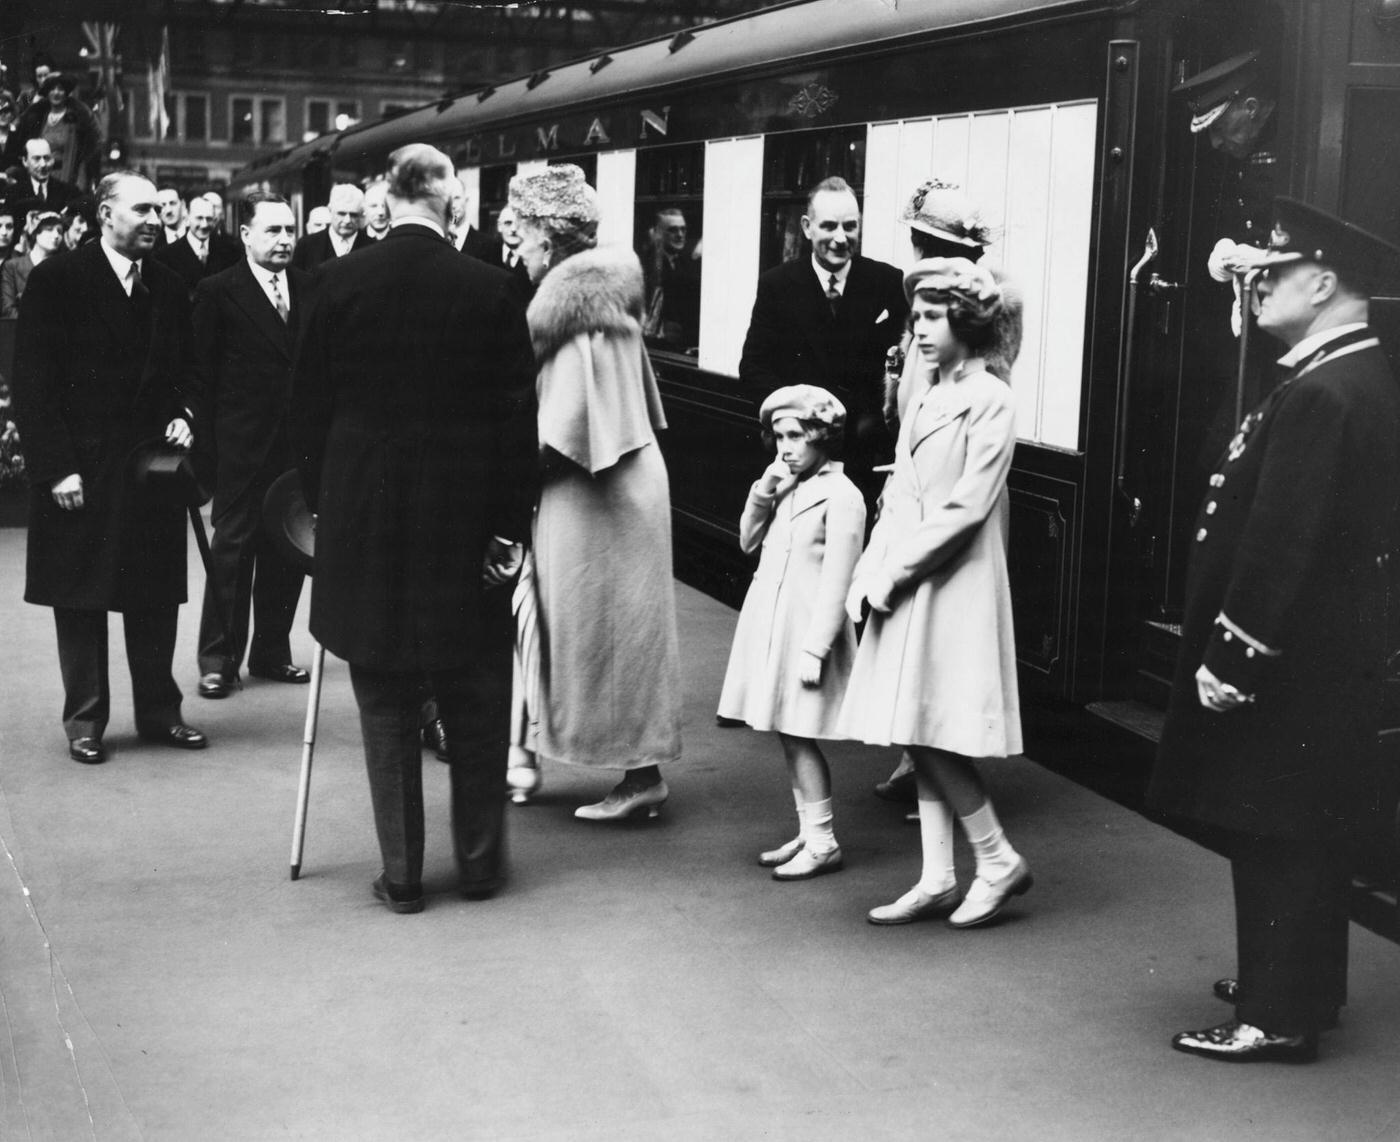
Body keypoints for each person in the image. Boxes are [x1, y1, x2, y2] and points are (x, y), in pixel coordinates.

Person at [1149, 200, 1400, 1064]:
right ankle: (1297, 986)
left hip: (1289, 660)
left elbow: (1283, 542)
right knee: (1303, 824)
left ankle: (1275, 1013)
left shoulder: (1323, 394)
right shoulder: (1342, 375)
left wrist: (1234, 653)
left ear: (1323, 281)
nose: (1258, 284)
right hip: (1325, 659)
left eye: (1275, 272)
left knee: (1272, 826)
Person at [291, 143, 538, 913]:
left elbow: (306, 412)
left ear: (385, 201)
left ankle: (401, 874)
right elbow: (514, 422)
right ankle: (477, 865)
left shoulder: (333, 283)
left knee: (385, 695)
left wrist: (325, 505)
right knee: (473, 690)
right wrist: (506, 528)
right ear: (449, 201)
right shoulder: (494, 289)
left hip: (366, 520)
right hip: (462, 525)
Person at [839, 257, 1029, 928]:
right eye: (914, 315)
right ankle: (939, 876)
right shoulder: (927, 396)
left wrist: (894, 573)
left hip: (953, 582)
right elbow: (901, 496)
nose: (915, 329)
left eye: (930, 316)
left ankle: (996, 857)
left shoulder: (992, 401)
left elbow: (966, 509)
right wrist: (868, 570)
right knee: (913, 725)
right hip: (911, 577)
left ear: (967, 322)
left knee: (933, 728)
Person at [10, 170, 208, 764]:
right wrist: (56, 469)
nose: (155, 220)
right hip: (83, 470)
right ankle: (86, 720)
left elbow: (191, 370)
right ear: (104, 215)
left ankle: (159, 713)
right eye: (142, 210)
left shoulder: (170, 286)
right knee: (81, 596)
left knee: (152, 595)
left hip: (151, 469)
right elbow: (33, 384)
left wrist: (187, 415)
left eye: (158, 211)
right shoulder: (57, 280)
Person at [506, 163, 682, 819]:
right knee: (600, 634)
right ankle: (620, 769)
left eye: (521, 234)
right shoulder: (602, 306)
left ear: (549, 240)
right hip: (610, 495)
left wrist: (504, 478)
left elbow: (561, 437)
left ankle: (639, 779)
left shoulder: (581, 317)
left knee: (610, 636)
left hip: (601, 503)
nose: (515, 248)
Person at [717, 384, 865, 879]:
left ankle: (824, 841)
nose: (785, 447)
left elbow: (840, 581)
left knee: (801, 735)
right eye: (779, 436)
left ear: (822, 435)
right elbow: (746, 540)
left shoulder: (843, 497)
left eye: (797, 436)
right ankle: (809, 831)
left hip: (807, 632)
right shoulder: (784, 483)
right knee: (787, 731)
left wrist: (816, 648)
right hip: (772, 624)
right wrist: (764, 489)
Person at [191, 192, 310, 699]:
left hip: (296, 450)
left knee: (288, 550)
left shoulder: (309, 287)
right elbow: (201, 376)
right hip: (240, 450)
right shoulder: (218, 291)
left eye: (290, 231)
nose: (284, 240)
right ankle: (219, 659)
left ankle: (271, 652)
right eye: (273, 231)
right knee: (232, 554)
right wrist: (210, 451)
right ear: (245, 235)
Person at [739, 176, 907, 504]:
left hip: (863, 460)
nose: (840, 238)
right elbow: (754, 365)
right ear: (807, 227)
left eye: (850, 226)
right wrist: (791, 422)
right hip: (800, 460)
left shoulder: (887, 282)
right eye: (829, 226)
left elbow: (904, 364)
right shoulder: (778, 285)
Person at [14, 73, 99, 190]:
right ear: (47, 93)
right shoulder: (38, 117)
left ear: (66, 93)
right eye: (52, 89)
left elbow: (86, 152)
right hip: (40, 175)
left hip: (66, 175)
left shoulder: (76, 118)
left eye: (60, 89)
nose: (56, 93)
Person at [641, 206, 701, 351]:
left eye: (683, 229)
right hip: (658, 346)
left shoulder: (685, 263)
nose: (680, 235)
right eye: (673, 230)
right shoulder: (649, 264)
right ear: (658, 233)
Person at [155, 192, 238, 297]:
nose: (204, 225)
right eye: (199, 218)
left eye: (209, 219)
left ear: (215, 220)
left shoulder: (230, 251)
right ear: (187, 219)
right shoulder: (166, 256)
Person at [291, 183, 374, 273]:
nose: (347, 220)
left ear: (361, 215)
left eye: (353, 215)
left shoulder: (372, 247)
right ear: (330, 211)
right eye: (341, 214)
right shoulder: (306, 246)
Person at [1, 210, 62, 317]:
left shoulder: (62, 268)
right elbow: (8, 308)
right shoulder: (13, 266)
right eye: (49, 229)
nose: (56, 235)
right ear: (36, 233)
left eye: (60, 231)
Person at [9, 138, 78, 212]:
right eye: (37, 159)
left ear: (53, 160)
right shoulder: (13, 193)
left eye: (47, 158)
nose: (43, 164)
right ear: (25, 161)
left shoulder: (68, 192)